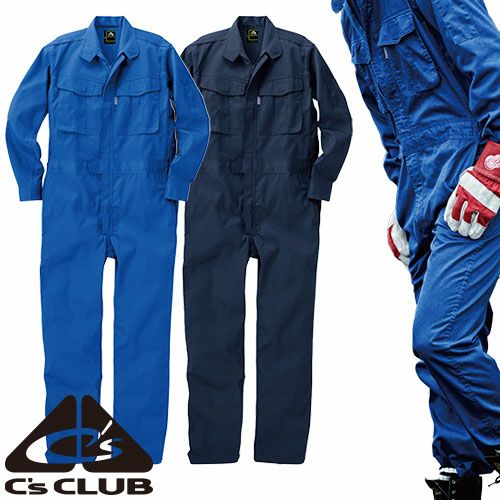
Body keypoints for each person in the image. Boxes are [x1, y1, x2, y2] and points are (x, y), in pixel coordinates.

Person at [332, 0, 500, 497]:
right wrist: (400, 194)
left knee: (439, 337)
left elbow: (487, 58)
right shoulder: (351, 13)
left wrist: (494, 165)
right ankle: (460, 470)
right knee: (452, 350)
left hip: (471, 172)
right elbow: (385, 113)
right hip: (419, 187)